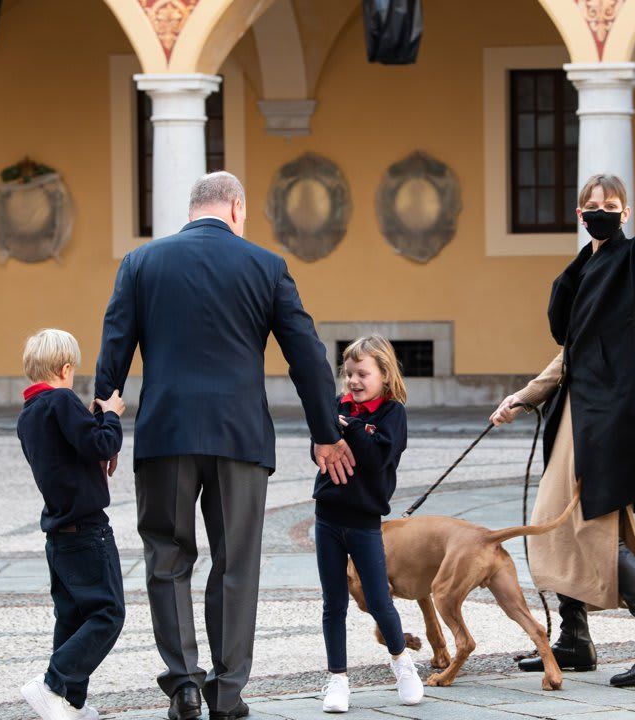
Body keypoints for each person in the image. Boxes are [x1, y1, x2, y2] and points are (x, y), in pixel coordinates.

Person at [94, 172, 356, 720]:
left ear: (193, 210)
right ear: (236, 207)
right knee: (236, 563)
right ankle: (228, 691)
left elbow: (113, 351)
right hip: (240, 437)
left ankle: (184, 686)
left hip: (166, 434)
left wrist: (105, 434)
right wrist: (325, 434)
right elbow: (306, 355)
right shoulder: (266, 266)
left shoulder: (141, 264)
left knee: (166, 558)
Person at [491, 118, 635, 688]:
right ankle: (575, 639)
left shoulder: (632, 260)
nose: (600, 209)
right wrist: (524, 398)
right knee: (555, 523)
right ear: (580, 214)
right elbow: (573, 354)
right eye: (591, 203)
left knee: (589, 527)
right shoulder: (583, 269)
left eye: (611, 202)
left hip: (605, 417)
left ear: (624, 212)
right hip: (578, 412)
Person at [16, 328, 127, 720]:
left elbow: (73, 450)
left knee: (72, 617)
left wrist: (93, 425)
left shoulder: (29, 413)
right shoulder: (62, 400)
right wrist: (110, 417)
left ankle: (70, 702)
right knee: (108, 613)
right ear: (66, 368)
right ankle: (52, 683)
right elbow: (101, 445)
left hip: (59, 534)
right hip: (87, 529)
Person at [311, 336, 423, 713]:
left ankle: (402, 662)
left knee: (378, 600)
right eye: (348, 374)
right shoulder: (335, 407)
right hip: (327, 518)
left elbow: (378, 459)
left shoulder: (393, 414)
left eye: (363, 373)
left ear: (385, 375)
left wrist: (355, 429)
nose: (354, 381)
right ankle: (338, 679)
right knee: (333, 604)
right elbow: (322, 448)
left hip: (364, 523)